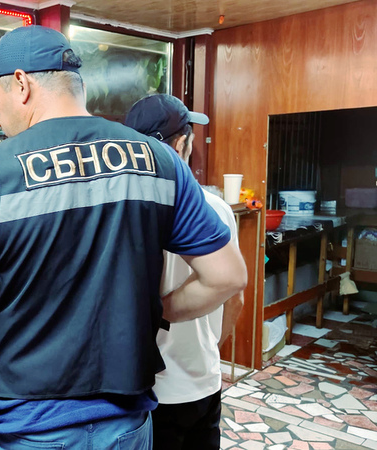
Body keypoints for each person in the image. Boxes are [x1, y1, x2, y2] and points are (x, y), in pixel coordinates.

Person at [0, 25, 248, 450]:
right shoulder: (160, 160)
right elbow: (227, 276)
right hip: (126, 425)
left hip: (25, 429)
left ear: (20, 84)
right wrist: (156, 310)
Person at [126, 94, 245, 450]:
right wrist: (211, 348)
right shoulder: (216, 209)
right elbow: (235, 298)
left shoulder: (125, 212)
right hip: (203, 380)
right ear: (182, 145)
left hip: (148, 387)